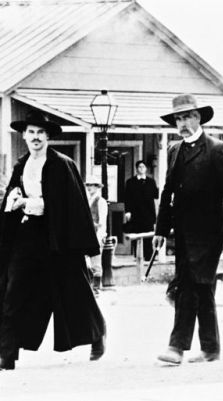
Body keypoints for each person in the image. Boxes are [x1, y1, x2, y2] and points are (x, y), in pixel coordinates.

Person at [0, 111, 106, 371]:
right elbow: (10, 203)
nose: (35, 137)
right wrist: (13, 201)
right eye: (31, 132)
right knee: (13, 290)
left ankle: (97, 334)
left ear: (47, 136)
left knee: (74, 291)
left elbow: (72, 207)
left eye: (40, 133)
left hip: (59, 237)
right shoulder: (20, 165)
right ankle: (7, 354)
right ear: (24, 136)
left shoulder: (62, 164)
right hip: (28, 238)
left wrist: (93, 254)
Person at [153, 94, 223, 365]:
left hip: (210, 229)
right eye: (178, 118)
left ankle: (177, 346)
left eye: (187, 117)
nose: (182, 123)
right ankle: (211, 347)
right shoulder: (174, 150)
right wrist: (161, 230)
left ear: (198, 118)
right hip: (182, 230)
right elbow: (167, 193)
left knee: (188, 284)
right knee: (202, 285)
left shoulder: (217, 149)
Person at [124, 160, 159, 261]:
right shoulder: (130, 182)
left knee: (149, 234)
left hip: (148, 212)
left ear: (146, 169)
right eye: (139, 167)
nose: (142, 169)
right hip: (136, 212)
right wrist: (128, 211)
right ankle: (138, 255)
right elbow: (127, 198)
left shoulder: (151, 182)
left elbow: (155, 195)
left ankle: (149, 256)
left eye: (143, 167)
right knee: (136, 233)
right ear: (136, 169)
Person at [85, 175, 108, 295]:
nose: (89, 187)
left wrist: (99, 237)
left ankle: (96, 289)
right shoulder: (86, 200)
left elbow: (102, 222)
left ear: (97, 187)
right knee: (87, 262)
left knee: (96, 263)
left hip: (97, 234)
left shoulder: (101, 201)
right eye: (88, 185)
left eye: (92, 185)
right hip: (87, 235)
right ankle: (89, 287)